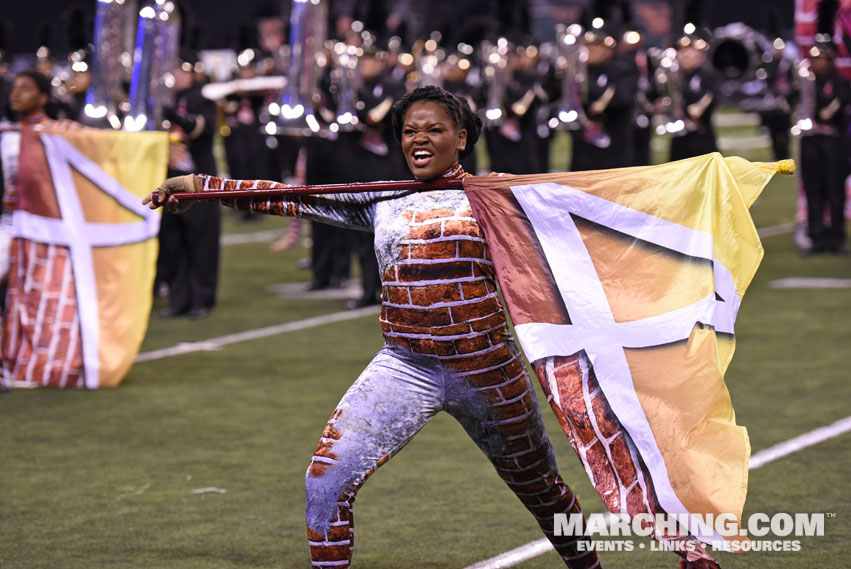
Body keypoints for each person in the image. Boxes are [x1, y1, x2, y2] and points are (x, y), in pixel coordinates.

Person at [145, 85, 600, 569]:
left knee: (542, 491)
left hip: (488, 371)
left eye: (434, 130)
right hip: (405, 367)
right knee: (324, 481)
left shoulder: (496, 197)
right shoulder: (383, 199)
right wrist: (200, 184)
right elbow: (293, 198)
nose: (419, 140)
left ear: (462, 138)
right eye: (409, 131)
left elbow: (597, 211)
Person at [799, 37, 851, 255]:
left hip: (833, 143)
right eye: (815, 58)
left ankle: (837, 238)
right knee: (813, 190)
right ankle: (816, 237)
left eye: (822, 58)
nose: (818, 63)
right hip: (810, 141)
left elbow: (833, 111)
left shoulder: (840, 83)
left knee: (835, 190)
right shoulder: (804, 83)